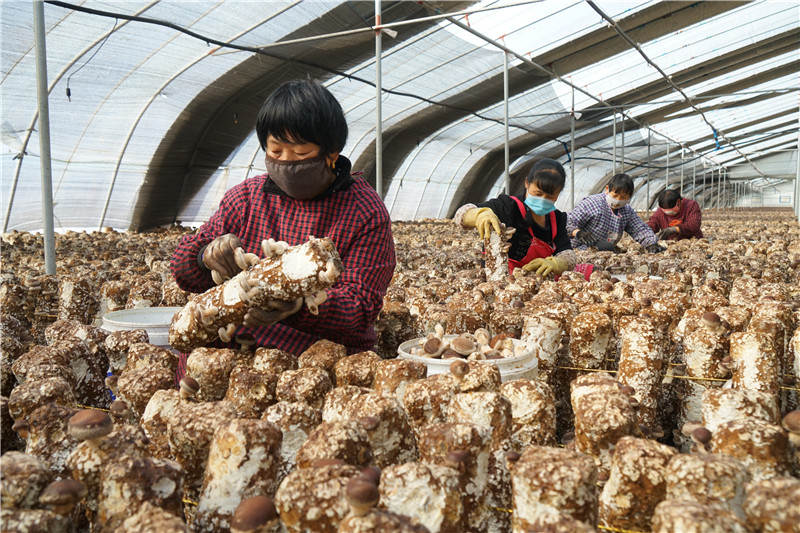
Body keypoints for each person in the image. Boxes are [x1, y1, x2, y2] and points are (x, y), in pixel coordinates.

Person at [170, 79, 396, 368]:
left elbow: (360, 307)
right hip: (232, 353)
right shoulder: (246, 199)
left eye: (301, 154)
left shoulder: (363, 211)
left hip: (313, 362)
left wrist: (299, 306)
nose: (287, 162)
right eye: (275, 151)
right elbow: (181, 267)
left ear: (332, 153)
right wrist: (204, 257)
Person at [454, 158, 578, 277]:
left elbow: (567, 252)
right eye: (538, 193)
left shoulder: (556, 219)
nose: (542, 200)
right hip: (500, 279)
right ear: (527, 183)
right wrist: (479, 214)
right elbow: (461, 214)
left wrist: (558, 263)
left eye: (550, 197)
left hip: (539, 282)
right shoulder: (508, 206)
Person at [566, 173, 663, 253]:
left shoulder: (626, 211)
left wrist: (651, 243)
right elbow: (568, 222)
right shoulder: (592, 203)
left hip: (605, 250)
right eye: (615, 195)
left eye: (623, 197)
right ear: (607, 189)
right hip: (579, 249)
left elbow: (639, 229)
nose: (618, 200)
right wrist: (579, 233)